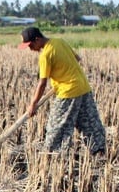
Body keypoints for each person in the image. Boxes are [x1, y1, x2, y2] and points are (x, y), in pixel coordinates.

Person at [19, 26, 105, 157]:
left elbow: (42, 83)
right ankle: (99, 150)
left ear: (37, 39)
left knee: (57, 126)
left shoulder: (45, 55)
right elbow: (77, 59)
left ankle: (53, 154)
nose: (30, 49)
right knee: (89, 122)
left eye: (30, 45)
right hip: (82, 86)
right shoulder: (60, 42)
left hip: (68, 92)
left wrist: (33, 104)